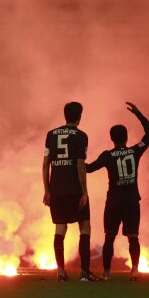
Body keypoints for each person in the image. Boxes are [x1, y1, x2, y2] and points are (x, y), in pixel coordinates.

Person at [85, 102, 149, 281]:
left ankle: (107, 274)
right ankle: (135, 270)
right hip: (131, 201)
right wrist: (138, 114)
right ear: (126, 137)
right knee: (133, 237)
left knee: (109, 237)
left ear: (112, 138)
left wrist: (75, 161)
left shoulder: (107, 155)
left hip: (114, 202)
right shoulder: (134, 151)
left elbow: (89, 169)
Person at [43, 102, 100, 281]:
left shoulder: (51, 135)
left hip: (57, 190)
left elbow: (46, 164)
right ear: (79, 116)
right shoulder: (81, 136)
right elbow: (80, 165)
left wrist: (47, 190)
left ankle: (60, 271)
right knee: (84, 226)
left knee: (60, 228)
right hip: (74, 189)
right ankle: (84, 272)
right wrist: (84, 192)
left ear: (65, 115)